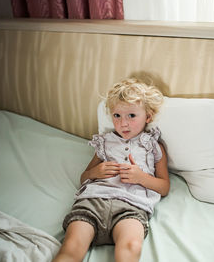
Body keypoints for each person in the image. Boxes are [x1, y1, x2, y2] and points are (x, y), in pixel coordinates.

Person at [53, 78, 170, 262]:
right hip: (93, 201)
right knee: (72, 246)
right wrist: (95, 172)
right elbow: (84, 177)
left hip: (132, 206)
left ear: (147, 117)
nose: (123, 123)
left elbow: (164, 187)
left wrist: (141, 177)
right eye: (117, 116)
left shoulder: (152, 145)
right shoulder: (106, 142)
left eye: (131, 116)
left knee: (131, 246)